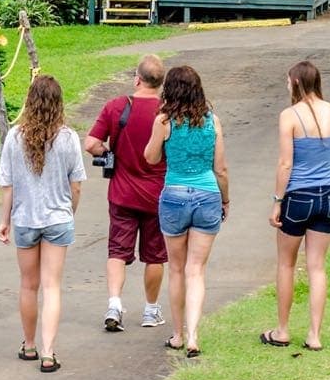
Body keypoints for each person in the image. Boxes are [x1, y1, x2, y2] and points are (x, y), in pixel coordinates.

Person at [0, 74, 86, 373]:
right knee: (52, 286)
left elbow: (7, 185)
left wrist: (4, 220)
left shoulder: (14, 137)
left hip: (25, 218)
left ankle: (30, 344)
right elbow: (76, 186)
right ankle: (49, 352)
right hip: (58, 217)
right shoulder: (68, 138)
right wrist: (69, 211)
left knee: (28, 285)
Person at [143, 65, 228, 358]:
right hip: (207, 195)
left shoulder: (164, 121)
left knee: (177, 269)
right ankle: (193, 335)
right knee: (197, 271)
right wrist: (225, 200)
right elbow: (221, 168)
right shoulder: (212, 122)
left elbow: (151, 158)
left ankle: (178, 334)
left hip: (175, 195)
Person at [261, 60, 330, 352]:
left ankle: (282, 330)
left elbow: (286, 163)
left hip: (298, 197)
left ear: (296, 82)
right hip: (329, 195)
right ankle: (314, 334)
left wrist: (277, 202)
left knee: (286, 263)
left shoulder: (290, 116)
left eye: (288, 81)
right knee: (317, 267)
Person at [83, 54, 168, 332]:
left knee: (117, 251)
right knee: (155, 255)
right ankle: (151, 310)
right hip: (157, 194)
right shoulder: (167, 112)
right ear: (161, 83)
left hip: (122, 192)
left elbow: (91, 143)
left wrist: (109, 151)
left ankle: (114, 304)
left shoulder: (117, 107)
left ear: (137, 79)